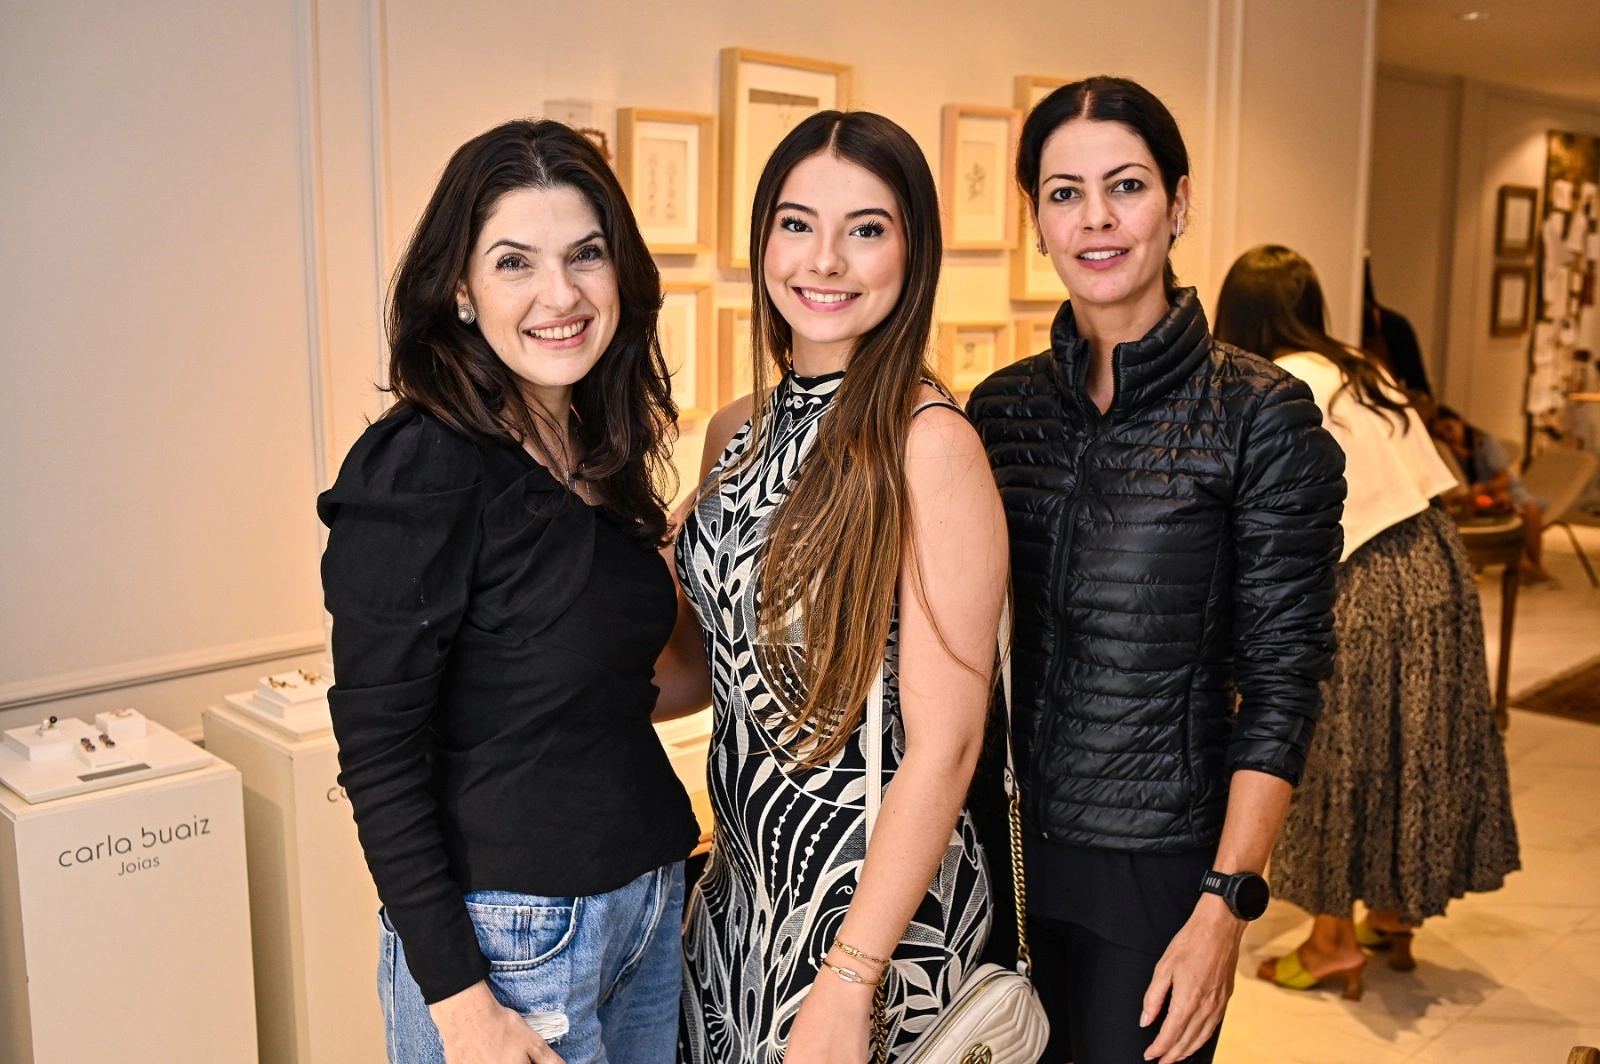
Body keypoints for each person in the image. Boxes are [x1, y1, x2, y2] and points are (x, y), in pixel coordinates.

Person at [968, 78, 1347, 1064]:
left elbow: (1281, 678)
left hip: (1157, 871)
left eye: (1124, 185)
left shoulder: (1259, 416)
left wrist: (1225, 901)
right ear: (1035, 217)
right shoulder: (997, 409)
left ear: (1178, 203)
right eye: (1062, 192)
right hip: (995, 856)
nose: (1094, 218)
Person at [318, 119, 701, 1064]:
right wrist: (459, 1006)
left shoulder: (600, 452)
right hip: (514, 942)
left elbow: (615, 688)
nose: (559, 295)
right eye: (514, 263)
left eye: (585, 256)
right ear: (459, 288)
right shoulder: (421, 466)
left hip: (648, 904)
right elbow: (377, 756)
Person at [673, 110, 1008, 1063]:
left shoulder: (928, 444)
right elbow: (713, 673)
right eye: (795, 223)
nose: (825, 260)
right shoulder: (736, 429)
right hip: (741, 899)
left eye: (866, 228)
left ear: (913, 252)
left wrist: (851, 979)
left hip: (871, 922)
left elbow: (947, 745)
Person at [1214, 245, 1520, 998]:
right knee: (1413, 744)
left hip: (1358, 580)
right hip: (1435, 562)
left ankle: (1329, 941)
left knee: (1331, 757)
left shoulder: (1277, 385)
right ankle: (1392, 912)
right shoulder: (1359, 365)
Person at [1431, 405, 1551, 581]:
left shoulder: (1484, 442)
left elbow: (1503, 479)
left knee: (1529, 509)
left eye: (1450, 428)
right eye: (1443, 433)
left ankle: (1534, 564)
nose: (1449, 435)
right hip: (1473, 499)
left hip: (1500, 489)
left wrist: (1485, 489)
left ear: (1461, 422)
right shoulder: (1446, 451)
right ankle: (1521, 563)